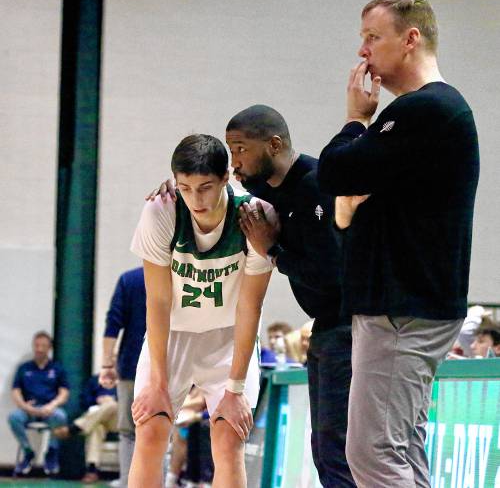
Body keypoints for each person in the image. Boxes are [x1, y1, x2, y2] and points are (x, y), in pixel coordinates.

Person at [317, 0, 479, 487]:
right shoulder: (421, 115)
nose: (363, 52)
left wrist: (354, 119)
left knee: (372, 453)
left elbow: (336, 169)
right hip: (404, 305)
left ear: (410, 40)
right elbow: (346, 205)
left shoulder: (426, 110)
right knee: (400, 449)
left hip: (403, 308)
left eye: (372, 37)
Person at [153, 105, 354, 486]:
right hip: (326, 329)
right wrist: (177, 186)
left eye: (241, 148)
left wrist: (273, 250)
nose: (235, 161)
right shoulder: (269, 188)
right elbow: (219, 182)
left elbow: (332, 273)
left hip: (351, 327)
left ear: (274, 145)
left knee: (341, 450)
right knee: (325, 450)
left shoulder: (315, 184)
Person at [129, 133, 274, 488]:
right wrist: (158, 384)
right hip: (173, 336)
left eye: (206, 187)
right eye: (186, 188)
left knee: (228, 440)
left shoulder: (254, 216)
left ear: (226, 177)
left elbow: (250, 305)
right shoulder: (161, 211)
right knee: (150, 429)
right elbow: (158, 302)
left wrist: (236, 389)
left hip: (228, 338)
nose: (196, 198)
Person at [98, 266, 146, 487]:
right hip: (170, 367)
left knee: (128, 431)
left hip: (131, 365)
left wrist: (107, 363)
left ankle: (128, 481)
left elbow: (113, 322)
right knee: (163, 432)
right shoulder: (182, 275)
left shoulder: (130, 279)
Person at [8, 331, 69, 477]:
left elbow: (64, 393)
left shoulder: (57, 368)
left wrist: (52, 405)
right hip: (29, 409)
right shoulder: (24, 368)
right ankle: (28, 452)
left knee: (61, 416)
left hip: (49, 410)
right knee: (13, 417)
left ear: (49, 348)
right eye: (36, 345)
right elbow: (15, 391)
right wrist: (25, 406)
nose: (39, 349)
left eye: (43, 346)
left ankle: (51, 452)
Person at [54, 374, 118, 483]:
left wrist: (113, 399)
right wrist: (97, 400)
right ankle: (92, 470)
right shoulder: (94, 380)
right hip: (96, 419)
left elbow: (131, 400)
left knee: (112, 405)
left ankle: (75, 428)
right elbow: (84, 400)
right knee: (96, 428)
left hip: (119, 421)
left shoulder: (126, 381)